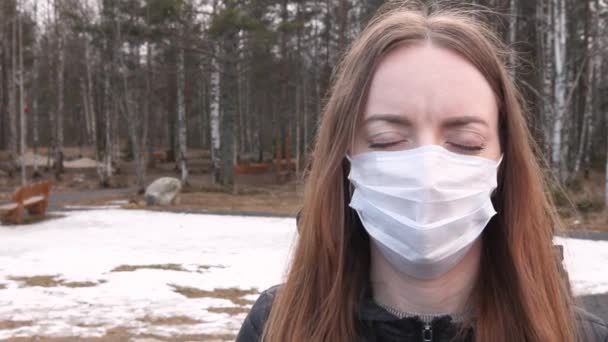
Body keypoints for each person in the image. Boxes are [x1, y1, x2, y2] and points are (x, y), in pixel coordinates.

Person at [236, 3, 608, 342]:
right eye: (387, 140)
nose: (428, 172)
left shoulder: (577, 335)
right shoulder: (278, 327)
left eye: (465, 142)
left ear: (504, 161)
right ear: (345, 156)